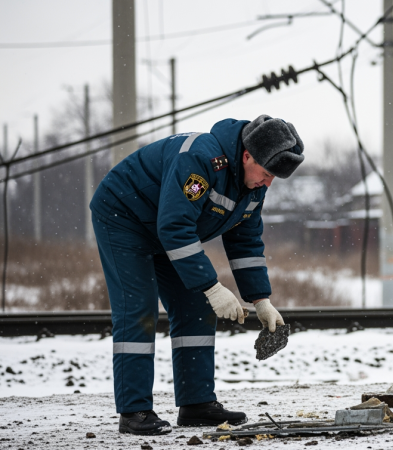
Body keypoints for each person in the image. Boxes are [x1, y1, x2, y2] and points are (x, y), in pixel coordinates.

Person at [90, 115, 304, 434]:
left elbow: (245, 240)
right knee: (139, 311)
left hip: (164, 228)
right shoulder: (201, 159)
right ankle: (134, 411)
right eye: (267, 173)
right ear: (248, 155)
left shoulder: (252, 184)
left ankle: (196, 404)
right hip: (124, 217)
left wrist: (261, 299)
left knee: (196, 308)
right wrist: (213, 286)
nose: (268, 183)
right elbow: (175, 227)